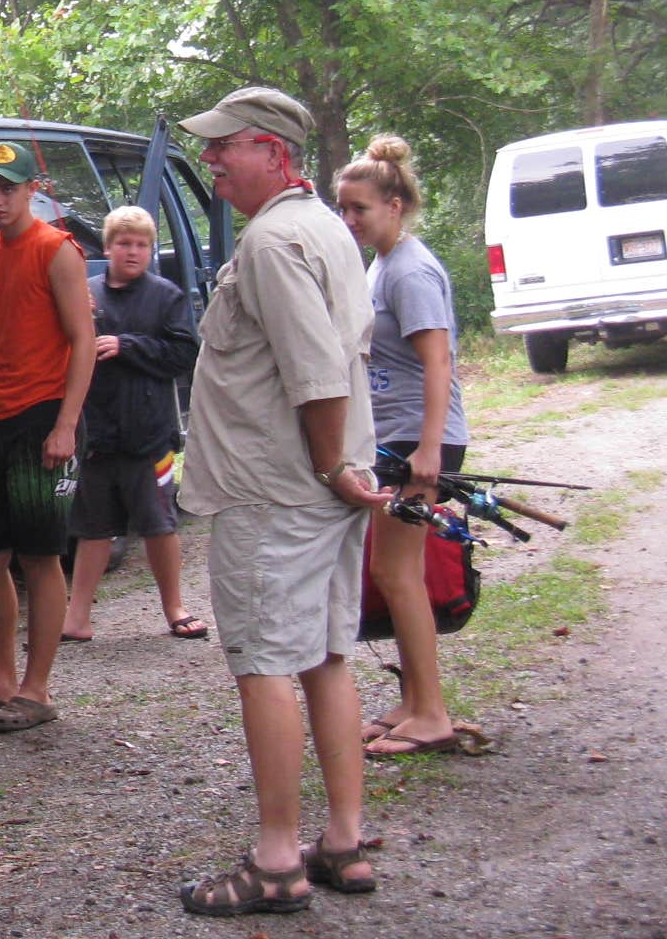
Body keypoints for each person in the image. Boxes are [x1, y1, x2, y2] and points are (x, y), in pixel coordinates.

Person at [175, 86, 394, 918]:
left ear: (272, 150)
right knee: (325, 655)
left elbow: (315, 369)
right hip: (319, 488)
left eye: (224, 146)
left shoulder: (272, 242)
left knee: (265, 662)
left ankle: (275, 861)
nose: (212, 160)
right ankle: (342, 841)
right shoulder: (327, 230)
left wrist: (333, 464)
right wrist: (340, 470)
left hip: (279, 492)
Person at [0, 140, 95, 733]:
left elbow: (83, 340)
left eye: (9, 187)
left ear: (35, 189)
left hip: (43, 414)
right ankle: (0, 682)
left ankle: (37, 689)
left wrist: (65, 424)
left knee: (39, 554)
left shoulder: (56, 250)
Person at [335, 134, 470, 756]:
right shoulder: (382, 264)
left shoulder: (411, 269)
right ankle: (414, 700)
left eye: (359, 208)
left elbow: (438, 363)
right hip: (395, 436)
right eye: (343, 208)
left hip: (418, 440)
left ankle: (432, 714)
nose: (349, 219)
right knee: (395, 573)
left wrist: (430, 450)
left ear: (395, 205)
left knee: (397, 571)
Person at [61, 205, 203, 643]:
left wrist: (127, 345)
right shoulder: (86, 294)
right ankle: (76, 616)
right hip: (98, 436)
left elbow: (184, 354)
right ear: (108, 247)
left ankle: (174, 607)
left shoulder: (166, 296)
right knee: (93, 528)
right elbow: (61, 348)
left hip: (149, 436)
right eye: (124, 243)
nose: (133, 251)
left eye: (142, 244)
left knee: (160, 524)